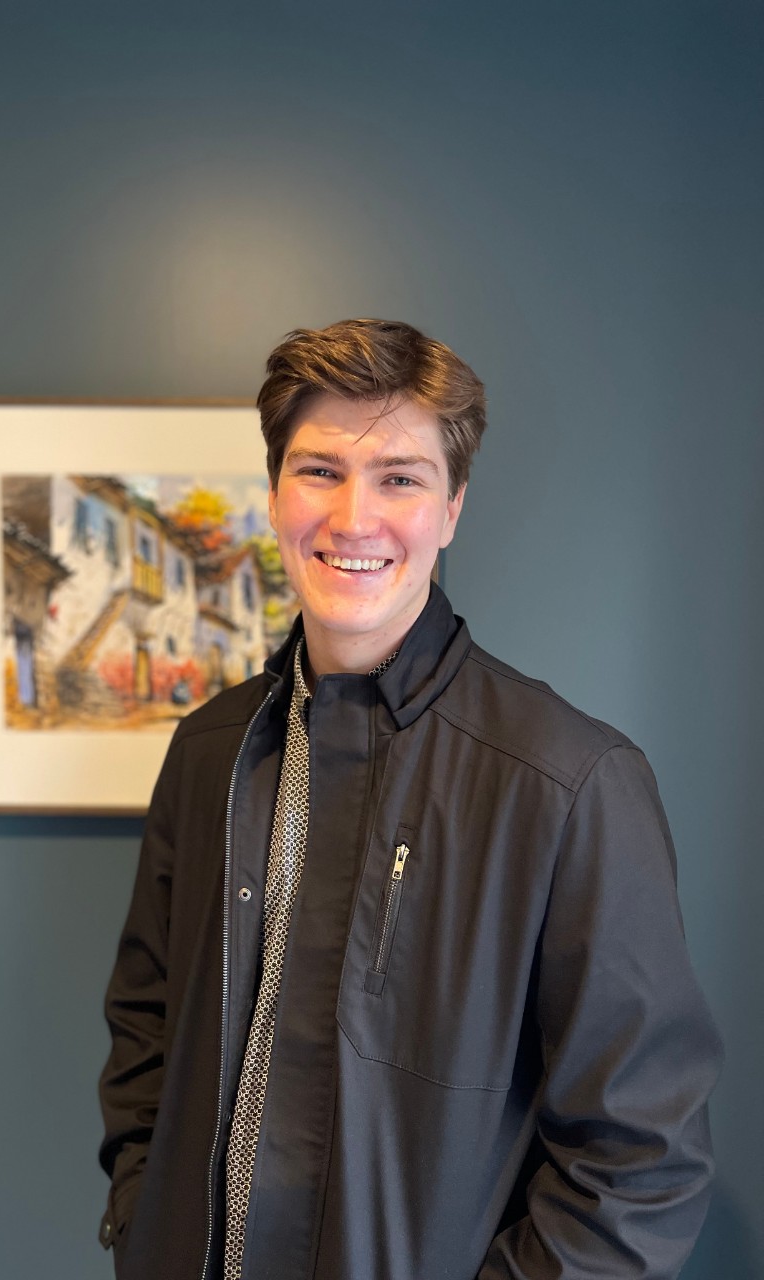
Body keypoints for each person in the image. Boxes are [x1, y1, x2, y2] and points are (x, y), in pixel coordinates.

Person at [97, 319, 722, 1280]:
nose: (354, 518)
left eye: (399, 477)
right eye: (319, 472)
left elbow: (641, 1157)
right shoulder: (206, 752)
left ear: (452, 507)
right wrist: (144, 1221)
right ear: (273, 498)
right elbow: (146, 1029)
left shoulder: (572, 782)